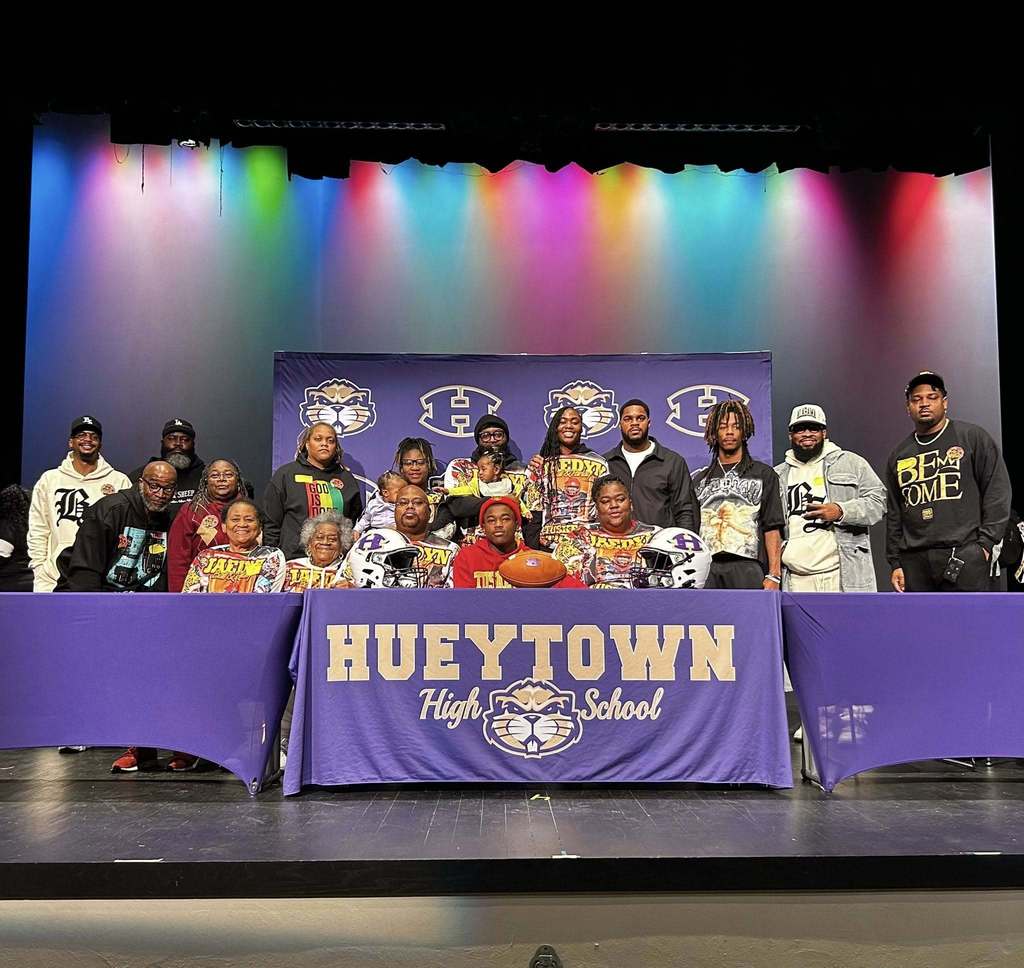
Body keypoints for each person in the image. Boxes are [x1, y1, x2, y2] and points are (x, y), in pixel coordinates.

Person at [886, 371, 1011, 593]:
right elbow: (895, 512)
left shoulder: (972, 438)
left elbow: (997, 492)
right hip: (914, 561)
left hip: (965, 554)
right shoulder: (900, 454)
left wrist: (985, 545)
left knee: (969, 625)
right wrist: (896, 562)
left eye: (932, 397)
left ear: (945, 403)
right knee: (923, 626)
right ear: (908, 408)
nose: (924, 404)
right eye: (916, 399)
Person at [774, 404, 886, 592]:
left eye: (814, 428)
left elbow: (879, 501)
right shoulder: (777, 475)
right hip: (795, 579)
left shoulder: (851, 463)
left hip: (841, 575)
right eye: (800, 429)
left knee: (848, 622)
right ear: (790, 435)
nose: (807, 433)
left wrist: (841, 511)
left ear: (824, 433)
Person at [27, 415, 132, 592]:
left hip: (101, 579)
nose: (88, 440)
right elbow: (39, 528)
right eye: (82, 435)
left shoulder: (119, 480)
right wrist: (39, 568)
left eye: (94, 436)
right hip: (53, 577)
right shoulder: (50, 479)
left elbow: (127, 532)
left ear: (100, 444)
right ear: (71, 442)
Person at [692, 400, 785, 590]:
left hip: (748, 566)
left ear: (745, 431)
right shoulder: (698, 480)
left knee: (749, 620)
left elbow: (772, 526)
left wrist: (774, 574)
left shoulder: (764, 474)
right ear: (714, 432)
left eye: (736, 426)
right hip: (707, 566)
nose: (729, 432)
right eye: (723, 427)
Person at [64, 460, 176, 593]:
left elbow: (165, 575)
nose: (160, 494)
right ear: (141, 483)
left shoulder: (171, 520)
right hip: (98, 597)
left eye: (168, 488)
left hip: (144, 603)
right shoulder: (110, 511)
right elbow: (85, 572)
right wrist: (95, 608)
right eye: (153, 486)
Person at [263, 422, 364, 561]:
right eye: (318, 439)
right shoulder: (286, 474)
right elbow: (271, 524)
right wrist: (272, 559)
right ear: (306, 444)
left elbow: (353, 521)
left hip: (335, 562)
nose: (324, 444)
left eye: (330, 440)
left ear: (336, 447)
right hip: (293, 559)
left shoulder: (346, 478)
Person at [603, 399, 698, 531]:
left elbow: (685, 511)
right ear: (620, 424)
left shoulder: (672, 461)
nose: (634, 423)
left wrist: (686, 547)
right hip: (615, 545)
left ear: (649, 423)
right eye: (628, 419)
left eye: (640, 418)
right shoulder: (605, 462)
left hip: (659, 546)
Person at [453, 496, 584, 589]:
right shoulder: (467, 557)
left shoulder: (533, 559)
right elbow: (463, 603)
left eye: (505, 519)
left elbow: (577, 591)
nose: (498, 525)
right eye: (491, 520)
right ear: (483, 527)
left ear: (517, 524)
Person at [342, 485, 459, 588]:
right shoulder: (370, 541)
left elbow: (452, 598)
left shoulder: (450, 550)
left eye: (417, 502)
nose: (410, 506)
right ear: (394, 511)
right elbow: (343, 580)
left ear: (430, 512)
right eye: (403, 503)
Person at [552, 475, 658, 588]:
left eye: (620, 499)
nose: (614, 505)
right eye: (605, 501)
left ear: (631, 504)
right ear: (596, 508)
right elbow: (561, 580)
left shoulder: (655, 536)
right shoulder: (579, 537)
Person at [529, 406, 609, 550]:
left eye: (574, 422)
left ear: (581, 428)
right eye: (563, 421)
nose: (569, 426)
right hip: (549, 545)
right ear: (555, 427)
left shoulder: (599, 463)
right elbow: (533, 509)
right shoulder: (542, 463)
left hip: (588, 545)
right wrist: (536, 544)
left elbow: (605, 507)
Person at [166, 458, 245, 593]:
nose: (222, 479)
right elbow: (177, 559)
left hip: (243, 589)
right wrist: (179, 598)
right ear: (205, 481)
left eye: (228, 475)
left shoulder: (250, 511)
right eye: (215, 475)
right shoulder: (192, 511)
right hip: (200, 591)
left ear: (237, 480)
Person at [181, 499, 287, 594]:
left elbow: (262, 599)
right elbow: (189, 596)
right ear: (224, 526)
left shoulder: (271, 556)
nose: (242, 524)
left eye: (249, 520)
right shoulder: (206, 556)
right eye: (235, 520)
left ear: (260, 527)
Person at [129, 419, 206, 521]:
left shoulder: (206, 476)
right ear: (162, 443)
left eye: (185, 439)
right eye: (171, 439)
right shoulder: (143, 474)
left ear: (193, 444)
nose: (178, 443)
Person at [283, 512, 355, 591]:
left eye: (332, 539)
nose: (325, 542)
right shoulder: (289, 567)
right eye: (319, 537)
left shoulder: (346, 571)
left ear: (342, 546)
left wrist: (351, 592)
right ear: (309, 543)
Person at [352, 471, 405, 540]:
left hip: (394, 534)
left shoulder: (402, 506)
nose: (403, 495)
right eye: (399, 492)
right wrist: (357, 530)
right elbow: (365, 519)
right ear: (385, 493)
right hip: (374, 534)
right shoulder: (373, 504)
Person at [0, 485, 33, 592]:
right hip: (35, 583)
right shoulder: (38, 527)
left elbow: (2, 553)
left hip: (11, 585)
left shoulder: (9, 525)